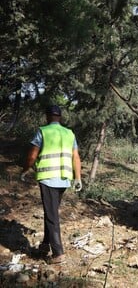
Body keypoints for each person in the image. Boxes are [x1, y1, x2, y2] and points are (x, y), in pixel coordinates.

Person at [21, 105, 82, 264]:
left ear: (48, 116)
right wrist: (78, 178)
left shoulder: (43, 131)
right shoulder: (69, 133)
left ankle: (58, 253)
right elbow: (76, 157)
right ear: (60, 117)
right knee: (52, 211)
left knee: (51, 215)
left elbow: (32, 155)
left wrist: (25, 170)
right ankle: (45, 244)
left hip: (48, 178)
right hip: (64, 179)